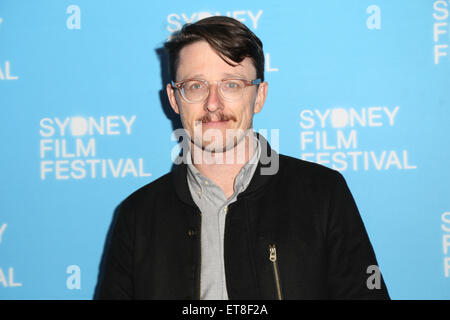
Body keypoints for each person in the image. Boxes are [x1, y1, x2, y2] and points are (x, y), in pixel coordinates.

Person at [95, 16, 390, 300]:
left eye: (232, 84)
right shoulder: (137, 215)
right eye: (196, 86)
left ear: (259, 96)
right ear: (174, 99)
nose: (213, 104)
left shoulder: (323, 193)